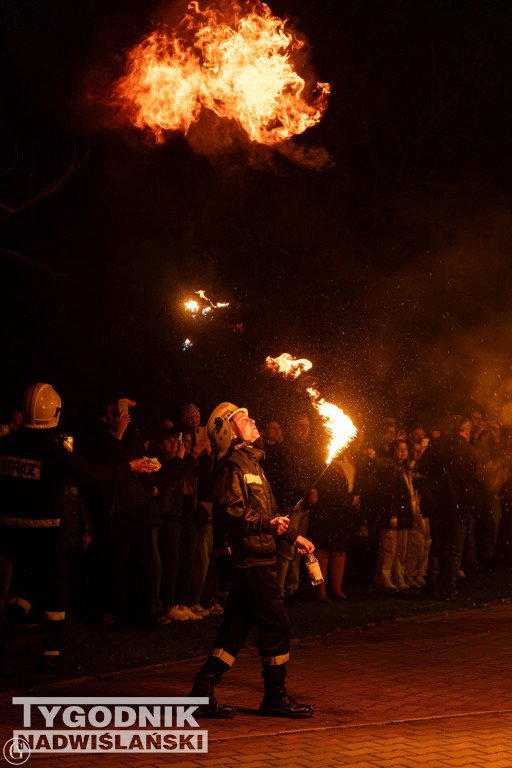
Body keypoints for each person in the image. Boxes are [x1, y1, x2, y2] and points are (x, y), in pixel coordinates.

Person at [0, 383, 154, 670]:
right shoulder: (52, 450)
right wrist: (128, 467)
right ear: (54, 413)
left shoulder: (6, 444)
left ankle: (4, 632)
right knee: (55, 588)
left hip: (9, 532)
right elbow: (91, 473)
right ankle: (52, 653)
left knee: (22, 587)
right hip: (46, 531)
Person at [189, 402, 315, 719]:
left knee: (234, 630)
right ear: (229, 433)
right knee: (275, 627)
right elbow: (232, 516)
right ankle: (275, 696)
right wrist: (266, 526)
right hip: (250, 561)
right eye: (244, 419)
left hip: (259, 557)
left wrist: (294, 536)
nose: (253, 420)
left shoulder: (253, 464)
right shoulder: (233, 467)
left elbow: (267, 516)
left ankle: (201, 692)